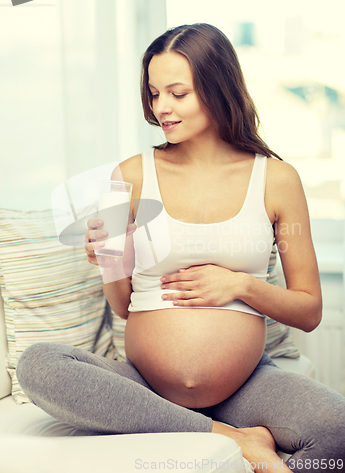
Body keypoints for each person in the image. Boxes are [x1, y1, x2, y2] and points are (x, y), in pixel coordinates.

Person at [17, 23, 345, 473]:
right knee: (39, 365)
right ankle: (228, 437)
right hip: (144, 386)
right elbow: (125, 308)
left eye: (177, 93)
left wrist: (239, 286)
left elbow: (309, 311)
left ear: (217, 89)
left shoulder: (276, 180)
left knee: (337, 429)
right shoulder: (128, 176)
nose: (161, 108)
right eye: (154, 94)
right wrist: (114, 260)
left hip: (244, 388)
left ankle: (210, 426)